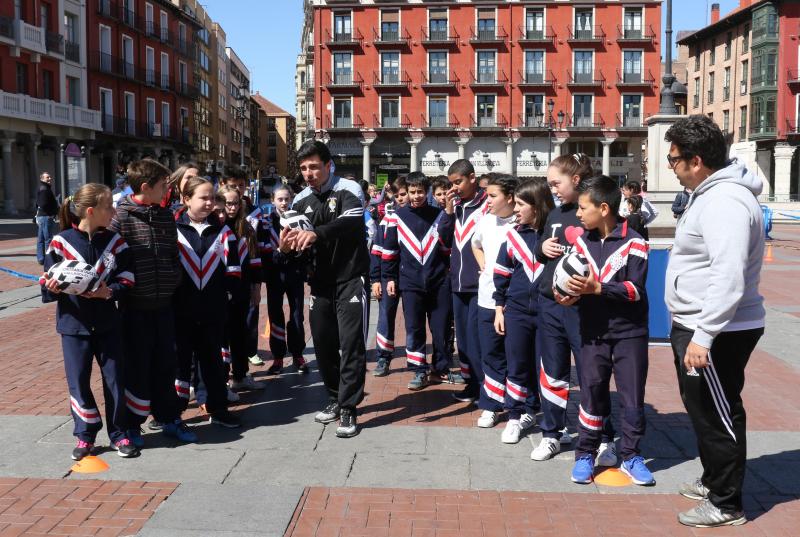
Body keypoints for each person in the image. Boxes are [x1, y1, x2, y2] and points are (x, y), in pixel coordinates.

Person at [664, 115, 765, 528]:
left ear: (697, 160)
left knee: (717, 414)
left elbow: (728, 274)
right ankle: (713, 480)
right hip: (701, 323)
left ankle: (726, 503)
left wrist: (704, 335)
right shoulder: (709, 194)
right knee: (703, 410)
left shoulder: (725, 202)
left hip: (717, 330)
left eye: (674, 159)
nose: (671, 167)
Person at [558, 175, 654, 486]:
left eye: (583, 208)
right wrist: (565, 295)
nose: (577, 213)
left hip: (630, 334)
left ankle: (632, 456)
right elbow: (567, 282)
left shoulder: (635, 242)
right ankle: (585, 453)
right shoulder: (580, 243)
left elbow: (635, 290)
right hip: (592, 333)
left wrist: (598, 288)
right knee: (591, 393)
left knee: (632, 396)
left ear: (603, 208)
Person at [41, 183, 138, 460]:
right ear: (91, 211)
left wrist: (110, 292)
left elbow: (128, 277)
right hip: (74, 325)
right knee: (78, 382)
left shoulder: (116, 242)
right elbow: (48, 284)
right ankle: (85, 435)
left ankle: (119, 434)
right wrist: (52, 287)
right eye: (109, 207)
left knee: (115, 380)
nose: (114, 212)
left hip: (109, 324)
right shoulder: (60, 242)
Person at [280, 140, 369, 438]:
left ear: (329, 165)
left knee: (351, 343)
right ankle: (334, 397)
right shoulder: (299, 200)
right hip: (319, 282)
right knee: (322, 343)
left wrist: (316, 234)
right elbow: (297, 247)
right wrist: (286, 249)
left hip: (351, 278)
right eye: (304, 168)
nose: (308, 173)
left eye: (314, 167)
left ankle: (349, 407)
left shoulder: (349, 189)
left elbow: (351, 223)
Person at [533, 154, 615, 462]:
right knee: (552, 371)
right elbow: (540, 250)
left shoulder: (592, 214)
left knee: (591, 372)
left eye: (557, 183)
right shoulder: (555, 214)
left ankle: (603, 437)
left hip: (584, 309)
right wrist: (541, 248)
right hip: (550, 305)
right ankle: (552, 433)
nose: (552, 189)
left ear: (576, 180)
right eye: (550, 184)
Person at [110, 159, 197, 445]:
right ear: (146, 187)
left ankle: (168, 417)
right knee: (137, 367)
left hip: (164, 305)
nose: (167, 191)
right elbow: (111, 260)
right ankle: (133, 424)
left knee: (165, 365)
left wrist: (173, 278)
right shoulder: (120, 218)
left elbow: (173, 254)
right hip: (135, 308)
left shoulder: (164, 216)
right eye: (163, 186)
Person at [173, 177, 242, 429]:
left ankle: (218, 408)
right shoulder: (173, 230)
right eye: (203, 198)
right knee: (179, 363)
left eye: (212, 198)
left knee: (212, 361)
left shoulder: (224, 232)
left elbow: (234, 269)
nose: (209, 202)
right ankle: (173, 412)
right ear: (186, 199)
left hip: (213, 311)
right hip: (181, 310)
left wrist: (226, 297)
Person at [493, 178, 553, 444]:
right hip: (516, 312)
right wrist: (499, 308)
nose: (515, 209)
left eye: (520, 204)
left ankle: (551, 420)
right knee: (517, 365)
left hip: (548, 313)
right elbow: (501, 274)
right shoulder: (513, 235)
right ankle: (515, 417)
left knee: (547, 369)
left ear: (536, 205)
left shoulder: (554, 234)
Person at [383, 172, 456, 390]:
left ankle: (440, 369)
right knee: (414, 328)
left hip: (439, 281)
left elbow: (447, 244)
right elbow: (390, 250)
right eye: (412, 192)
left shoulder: (438, 214)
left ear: (428, 192)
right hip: (410, 282)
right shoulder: (397, 216)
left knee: (441, 328)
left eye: (420, 192)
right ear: (407, 192)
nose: (416, 196)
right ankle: (419, 370)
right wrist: (389, 277)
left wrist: (449, 214)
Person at [471, 174, 518, 428]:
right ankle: (490, 405)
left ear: (510, 197)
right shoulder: (486, 221)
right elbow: (475, 244)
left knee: (516, 356)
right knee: (490, 353)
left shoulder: (522, 222)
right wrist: (484, 265)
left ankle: (519, 406)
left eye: (492, 196)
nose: (486, 200)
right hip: (487, 299)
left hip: (515, 302)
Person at [443, 159, 489, 402]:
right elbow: (443, 239)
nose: (454, 188)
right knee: (462, 339)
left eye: (458, 182)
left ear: (472, 178)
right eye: (451, 183)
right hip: (458, 283)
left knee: (476, 339)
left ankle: (485, 387)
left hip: (478, 283)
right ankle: (470, 383)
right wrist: (448, 212)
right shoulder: (457, 207)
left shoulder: (487, 205)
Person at [217, 185, 265, 394]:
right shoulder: (216, 226)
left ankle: (240, 376)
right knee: (221, 337)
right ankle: (222, 381)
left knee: (240, 333)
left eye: (236, 203)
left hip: (242, 289)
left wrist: (256, 287)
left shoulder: (246, 227)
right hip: (221, 291)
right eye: (228, 203)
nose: (232, 207)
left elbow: (254, 259)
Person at [263, 185, 309, 375]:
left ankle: (298, 355)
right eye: (279, 199)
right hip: (275, 275)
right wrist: (280, 252)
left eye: (286, 199)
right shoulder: (266, 223)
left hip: (294, 273)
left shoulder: (298, 219)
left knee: (297, 315)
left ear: (291, 199)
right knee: (275, 315)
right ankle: (278, 357)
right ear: (272, 200)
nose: (283, 203)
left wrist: (297, 254)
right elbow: (265, 253)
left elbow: (305, 248)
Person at [369, 177, 407, 377]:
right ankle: (383, 357)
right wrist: (375, 279)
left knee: (414, 319)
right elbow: (376, 250)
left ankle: (417, 361)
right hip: (387, 276)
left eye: (404, 194)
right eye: (397, 195)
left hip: (411, 277)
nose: (401, 199)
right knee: (385, 317)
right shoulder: (388, 219)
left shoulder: (420, 218)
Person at [35, 172, 59, 265]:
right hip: (46, 216)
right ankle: (49, 259)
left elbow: (38, 204)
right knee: (48, 239)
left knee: (41, 239)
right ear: (42, 179)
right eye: (47, 177)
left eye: (50, 177)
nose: (50, 178)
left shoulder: (43, 188)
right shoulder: (45, 189)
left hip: (42, 216)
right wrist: (52, 213)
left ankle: (41, 258)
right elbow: (42, 204)